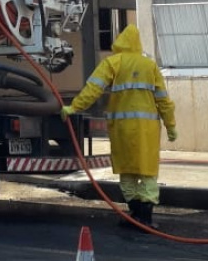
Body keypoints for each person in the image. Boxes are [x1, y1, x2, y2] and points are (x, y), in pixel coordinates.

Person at [61, 24, 177, 230]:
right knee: (147, 172)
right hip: (146, 131)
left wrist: (74, 107)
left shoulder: (113, 62)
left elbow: (93, 88)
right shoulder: (149, 66)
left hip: (122, 129)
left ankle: (133, 215)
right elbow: (163, 100)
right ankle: (145, 218)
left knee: (127, 171)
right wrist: (170, 126)